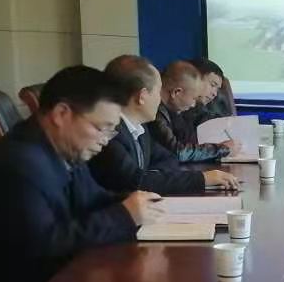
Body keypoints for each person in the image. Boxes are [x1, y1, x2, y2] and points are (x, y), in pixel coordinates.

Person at [0, 65, 164, 282]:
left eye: (111, 132)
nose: (105, 140)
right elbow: (45, 247)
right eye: (101, 128)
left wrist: (135, 203)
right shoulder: (17, 165)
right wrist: (123, 215)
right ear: (62, 114)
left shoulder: (63, 149)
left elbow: (92, 198)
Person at [89, 55, 240, 196]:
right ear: (142, 96)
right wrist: (202, 179)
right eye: (157, 91)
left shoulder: (141, 129)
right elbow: (135, 182)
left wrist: (154, 178)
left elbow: (168, 158)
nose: (160, 99)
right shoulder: (111, 135)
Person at [150, 60, 230, 164]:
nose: (193, 104)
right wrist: (222, 149)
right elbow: (178, 152)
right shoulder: (155, 113)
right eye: (193, 98)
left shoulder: (173, 110)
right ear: (176, 92)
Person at [189, 57, 234, 123]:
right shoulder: (177, 113)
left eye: (217, 89)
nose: (215, 94)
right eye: (212, 85)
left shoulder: (214, 110)